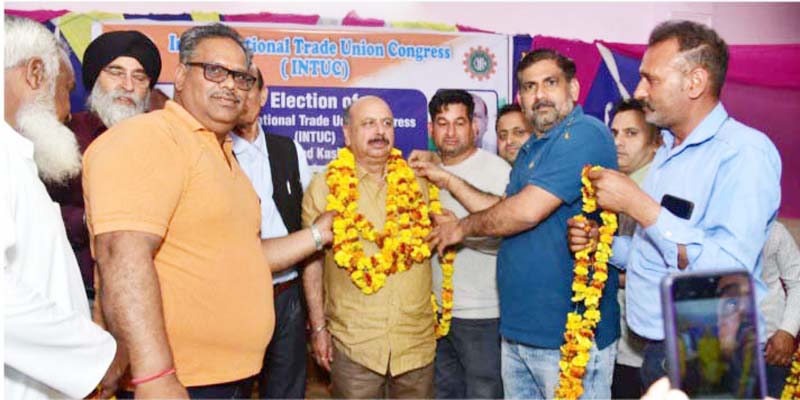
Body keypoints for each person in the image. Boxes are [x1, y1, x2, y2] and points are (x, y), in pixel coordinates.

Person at [567, 20, 781, 389]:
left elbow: (728, 270)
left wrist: (637, 205)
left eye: (651, 79)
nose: (638, 90)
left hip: (711, 348)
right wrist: (603, 242)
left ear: (695, 83)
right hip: (658, 349)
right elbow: (656, 251)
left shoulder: (744, 153)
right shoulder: (668, 150)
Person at [83, 23, 279, 398]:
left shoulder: (221, 152)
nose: (230, 85)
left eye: (241, 77)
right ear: (180, 75)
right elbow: (121, 253)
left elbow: (243, 254)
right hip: (177, 381)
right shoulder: (149, 136)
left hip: (226, 379)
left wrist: (319, 233)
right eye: (215, 71)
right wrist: (154, 376)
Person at [415, 49, 619, 399]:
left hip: (567, 340)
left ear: (573, 88)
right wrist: (448, 180)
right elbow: (504, 208)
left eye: (549, 83)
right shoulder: (530, 150)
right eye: (529, 86)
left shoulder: (585, 134)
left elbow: (524, 212)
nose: (539, 95)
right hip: (519, 332)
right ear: (521, 98)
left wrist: (460, 228)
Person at [3, 15, 123, 399]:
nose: (67, 112)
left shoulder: (16, 157)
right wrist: (95, 359)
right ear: (36, 73)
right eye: (65, 91)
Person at [302, 96, 436, 398]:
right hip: (354, 344)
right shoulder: (324, 187)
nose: (380, 131)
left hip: (415, 342)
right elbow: (312, 264)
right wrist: (318, 329)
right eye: (369, 123)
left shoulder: (420, 182)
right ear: (347, 134)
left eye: (387, 123)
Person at [44, 30, 162, 300]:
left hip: (144, 293)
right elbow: (29, 209)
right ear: (95, 79)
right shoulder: (63, 134)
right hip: (75, 292)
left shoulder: (161, 142)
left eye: (139, 77)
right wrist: (88, 220)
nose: (128, 85)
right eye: (116, 72)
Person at [231, 64, 318, 399]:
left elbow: (309, 223)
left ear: (263, 95)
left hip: (287, 294)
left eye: (248, 85)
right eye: (233, 87)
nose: (240, 95)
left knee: (286, 389)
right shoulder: (212, 151)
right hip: (234, 295)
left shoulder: (289, 149)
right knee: (232, 387)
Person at [425, 89, 509, 399]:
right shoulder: (424, 172)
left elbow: (507, 237)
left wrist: (461, 231)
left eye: (459, 122)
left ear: (474, 126)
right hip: (437, 314)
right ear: (430, 129)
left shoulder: (497, 171)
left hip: (482, 314)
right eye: (442, 123)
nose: (450, 132)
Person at [609, 98, 662, 399]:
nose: (618, 142)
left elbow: (662, 270)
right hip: (621, 335)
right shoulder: (616, 185)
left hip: (648, 343)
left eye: (631, 134)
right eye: (614, 133)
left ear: (656, 142)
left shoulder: (656, 191)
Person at [759, 221, 800, 397]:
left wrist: (787, 331)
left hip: (772, 350)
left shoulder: (774, 230)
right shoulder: (702, 228)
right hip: (717, 352)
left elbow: (798, 283)